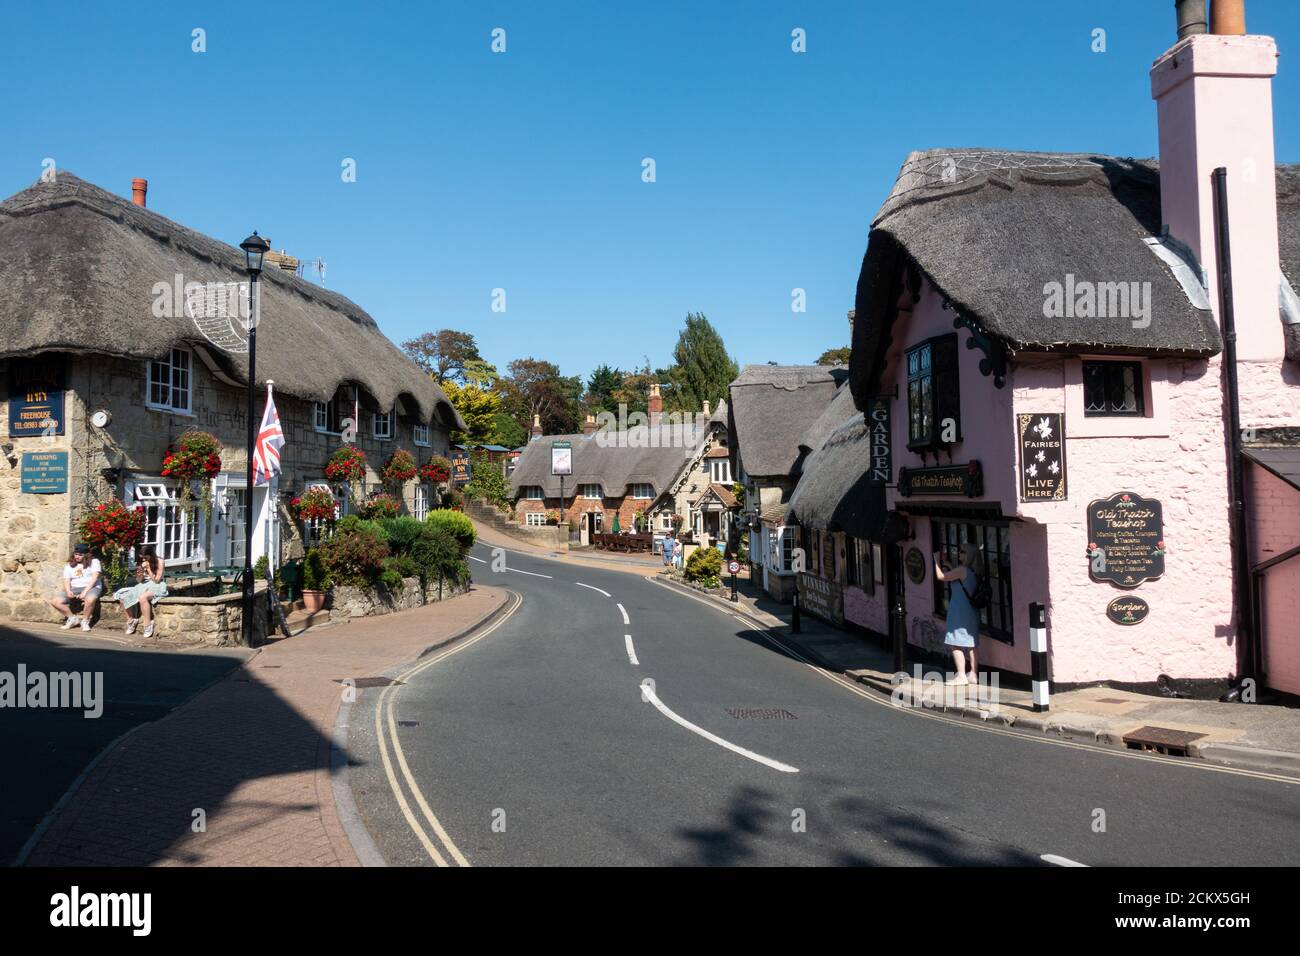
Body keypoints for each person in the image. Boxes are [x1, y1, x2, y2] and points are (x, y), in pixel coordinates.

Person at [933, 542, 984, 685]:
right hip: (971, 611)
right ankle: (973, 674)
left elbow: (941, 577)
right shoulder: (973, 571)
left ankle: (961, 675)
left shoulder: (962, 570)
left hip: (959, 611)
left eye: (962, 551)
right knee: (972, 644)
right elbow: (958, 578)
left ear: (968, 555)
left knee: (954, 642)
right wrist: (948, 563)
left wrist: (936, 560)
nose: (959, 553)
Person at [114, 545, 168, 638]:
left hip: (157, 585)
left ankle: (147, 624)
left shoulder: (159, 561)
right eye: (142, 558)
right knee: (122, 596)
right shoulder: (141, 562)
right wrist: (140, 574)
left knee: (143, 597)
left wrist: (148, 569)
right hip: (144, 584)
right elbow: (139, 581)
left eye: (145, 558)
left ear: (151, 555)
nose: (143, 560)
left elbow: (157, 580)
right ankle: (131, 620)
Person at [50, 543, 103, 632]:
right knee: (55, 601)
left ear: (86, 555)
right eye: (76, 554)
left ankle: (85, 621)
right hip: (75, 588)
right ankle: (72, 618)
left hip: (92, 587)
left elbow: (95, 578)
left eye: (80, 555)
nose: (77, 557)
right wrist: (68, 591)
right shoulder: (69, 566)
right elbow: (66, 580)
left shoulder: (94, 562)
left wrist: (85, 592)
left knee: (90, 599)